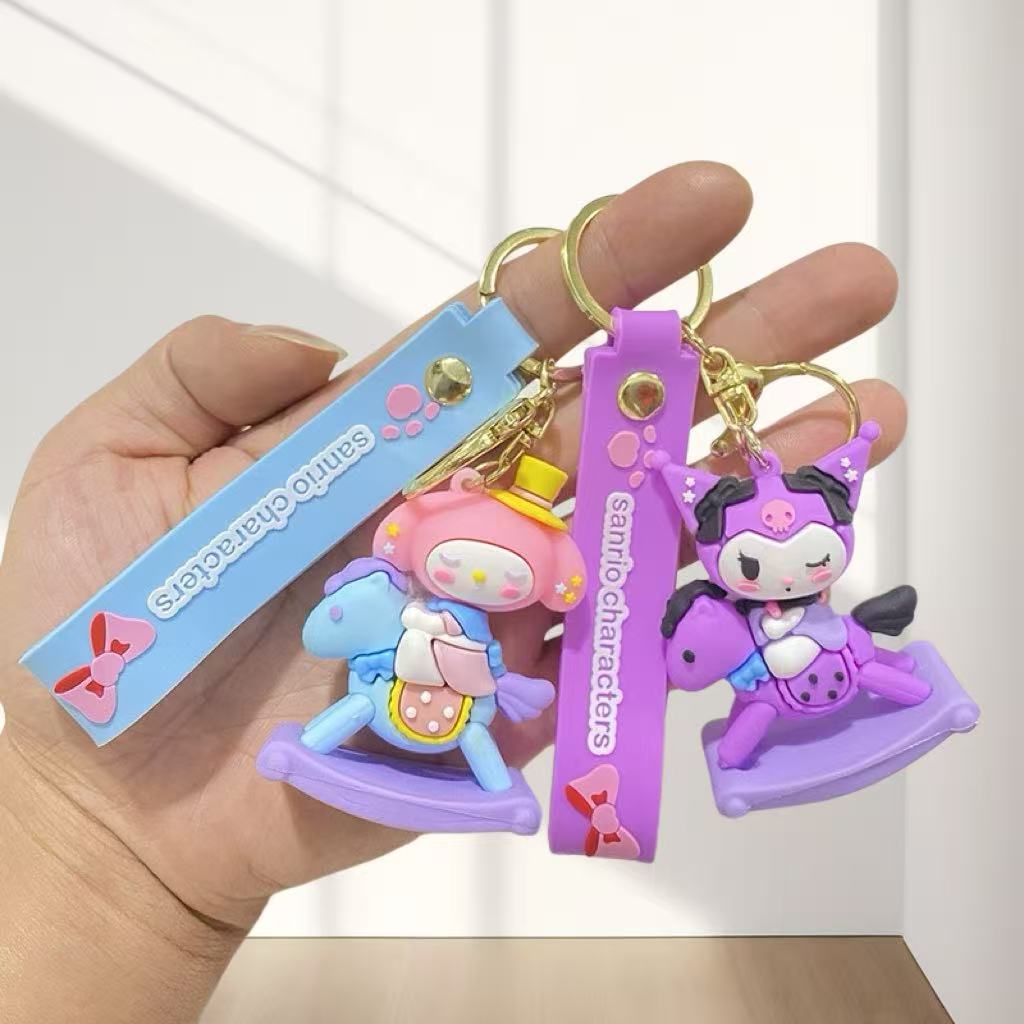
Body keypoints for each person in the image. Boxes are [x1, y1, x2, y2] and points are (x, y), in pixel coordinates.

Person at [0, 163, 904, 1024]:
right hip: (398, 684)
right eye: (465, 562)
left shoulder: (524, 602)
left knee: (474, 728)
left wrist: (120, 866)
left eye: (505, 575)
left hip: (467, 696)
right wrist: (79, 813)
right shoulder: (407, 587)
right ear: (412, 540)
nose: (480, 581)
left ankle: (511, 786)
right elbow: (358, 627)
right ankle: (331, 747)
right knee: (373, 702)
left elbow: (514, 650)